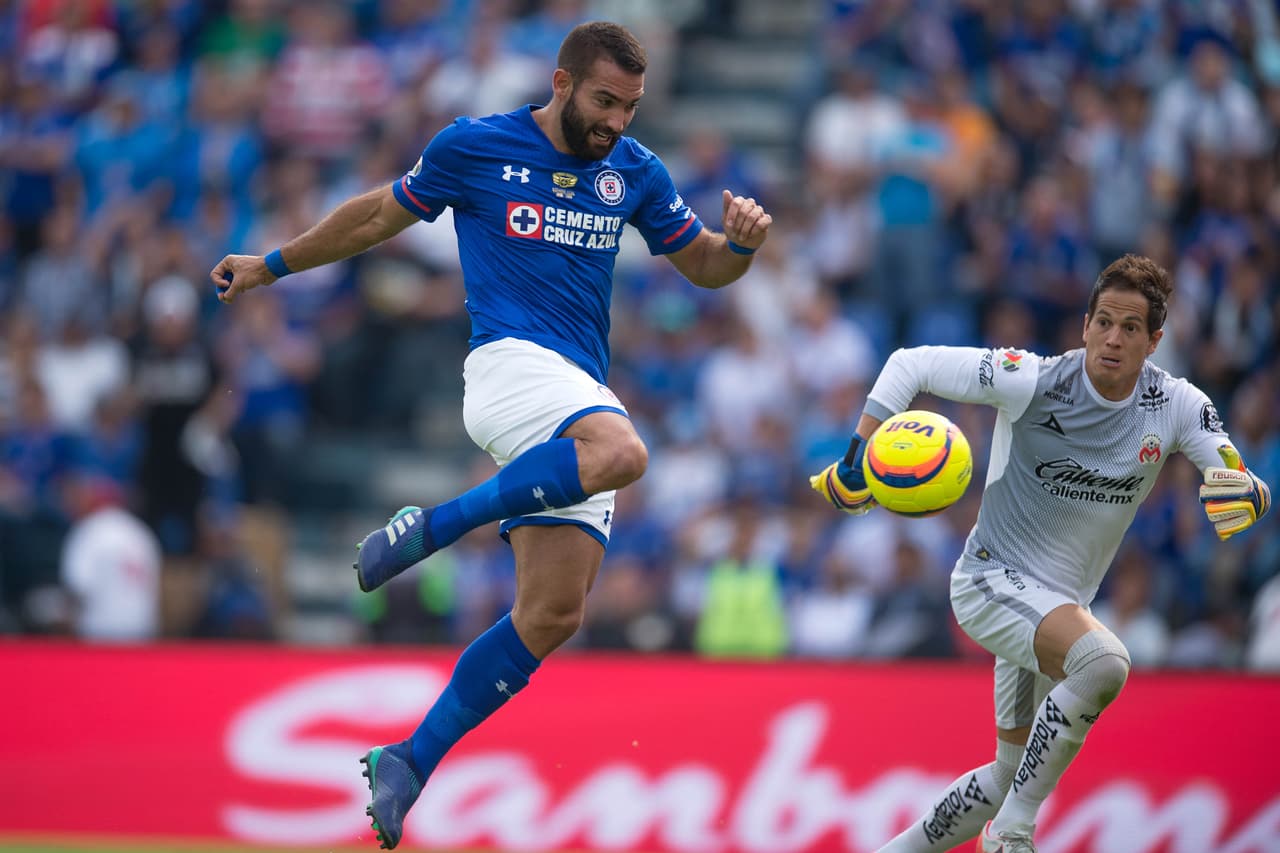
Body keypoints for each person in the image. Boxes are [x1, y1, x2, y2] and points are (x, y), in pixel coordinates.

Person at [209, 21, 770, 850]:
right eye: (605, 101)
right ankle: (434, 527)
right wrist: (273, 264)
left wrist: (743, 247)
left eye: (631, 106)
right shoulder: (475, 145)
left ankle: (408, 759)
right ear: (562, 82)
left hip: (577, 391)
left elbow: (706, 265)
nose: (617, 121)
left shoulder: (635, 172)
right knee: (624, 453)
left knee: (552, 614)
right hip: (508, 366)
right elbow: (375, 218)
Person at [809, 254, 1269, 853]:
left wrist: (1247, 494)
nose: (1113, 338)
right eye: (1104, 322)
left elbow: (1236, 473)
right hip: (991, 581)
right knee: (1104, 664)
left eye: (1131, 328)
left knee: (1006, 775)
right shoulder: (1031, 379)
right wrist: (856, 457)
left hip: (1055, 609)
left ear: (1154, 341)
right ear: (1085, 326)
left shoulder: (1178, 404)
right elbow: (908, 363)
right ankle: (1013, 832)